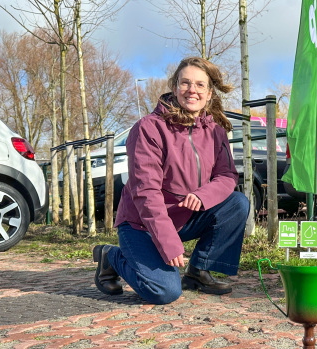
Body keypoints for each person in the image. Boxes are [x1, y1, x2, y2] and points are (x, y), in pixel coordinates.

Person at [92, 57, 249, 305]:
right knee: (164, 291)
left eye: (200, 85)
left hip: (184, 217)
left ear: (209, 94)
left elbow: (227, 175)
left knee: (237, 203)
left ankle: (198, 272)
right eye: (185, 83)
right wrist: (168, 243)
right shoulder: (148, 128)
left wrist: (203, 196)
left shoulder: (216, 131)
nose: (192, 90)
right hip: (142, 225)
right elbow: (146, 193)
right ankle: (111, 257)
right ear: (175, 88)